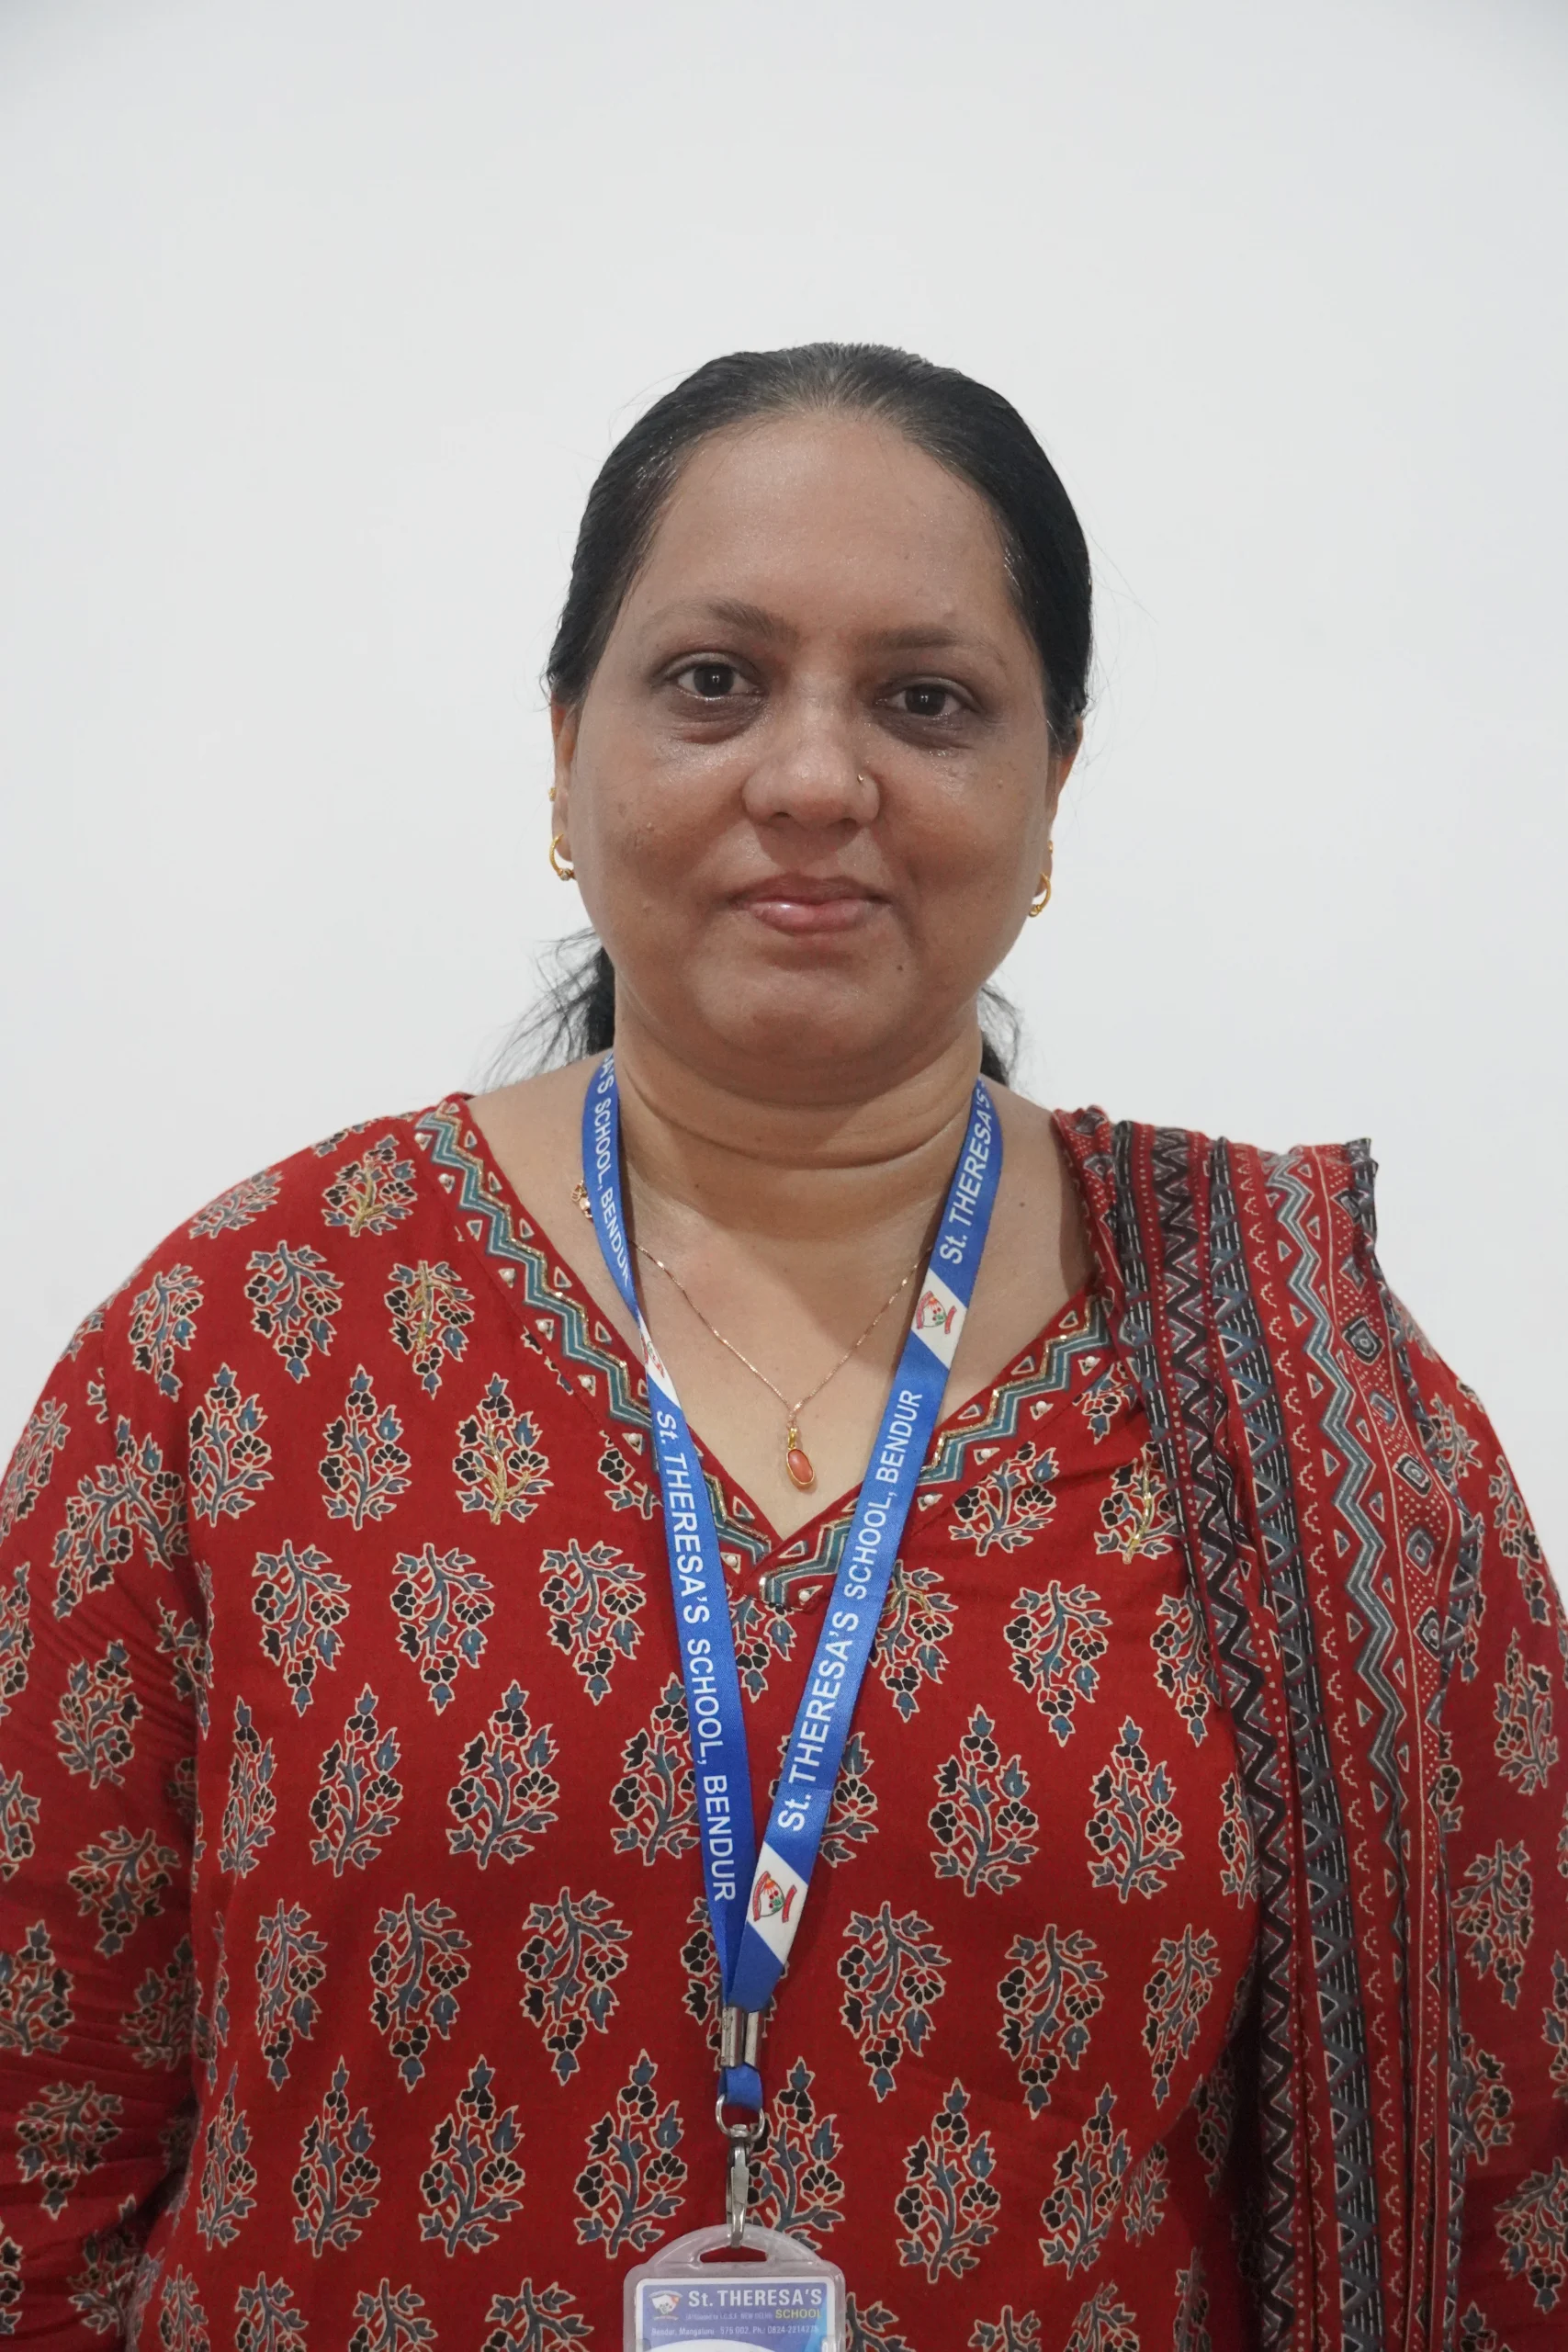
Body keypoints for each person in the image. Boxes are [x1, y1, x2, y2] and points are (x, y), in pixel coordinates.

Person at [0, 344, 1561, 2352]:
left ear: (1052, 790)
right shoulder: (241, 1342)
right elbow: (36, 2145)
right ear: (565, 751)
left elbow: (1510, 2189)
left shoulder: (1304, 1378)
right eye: (715, 680)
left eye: (927, 701)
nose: (815, 778)